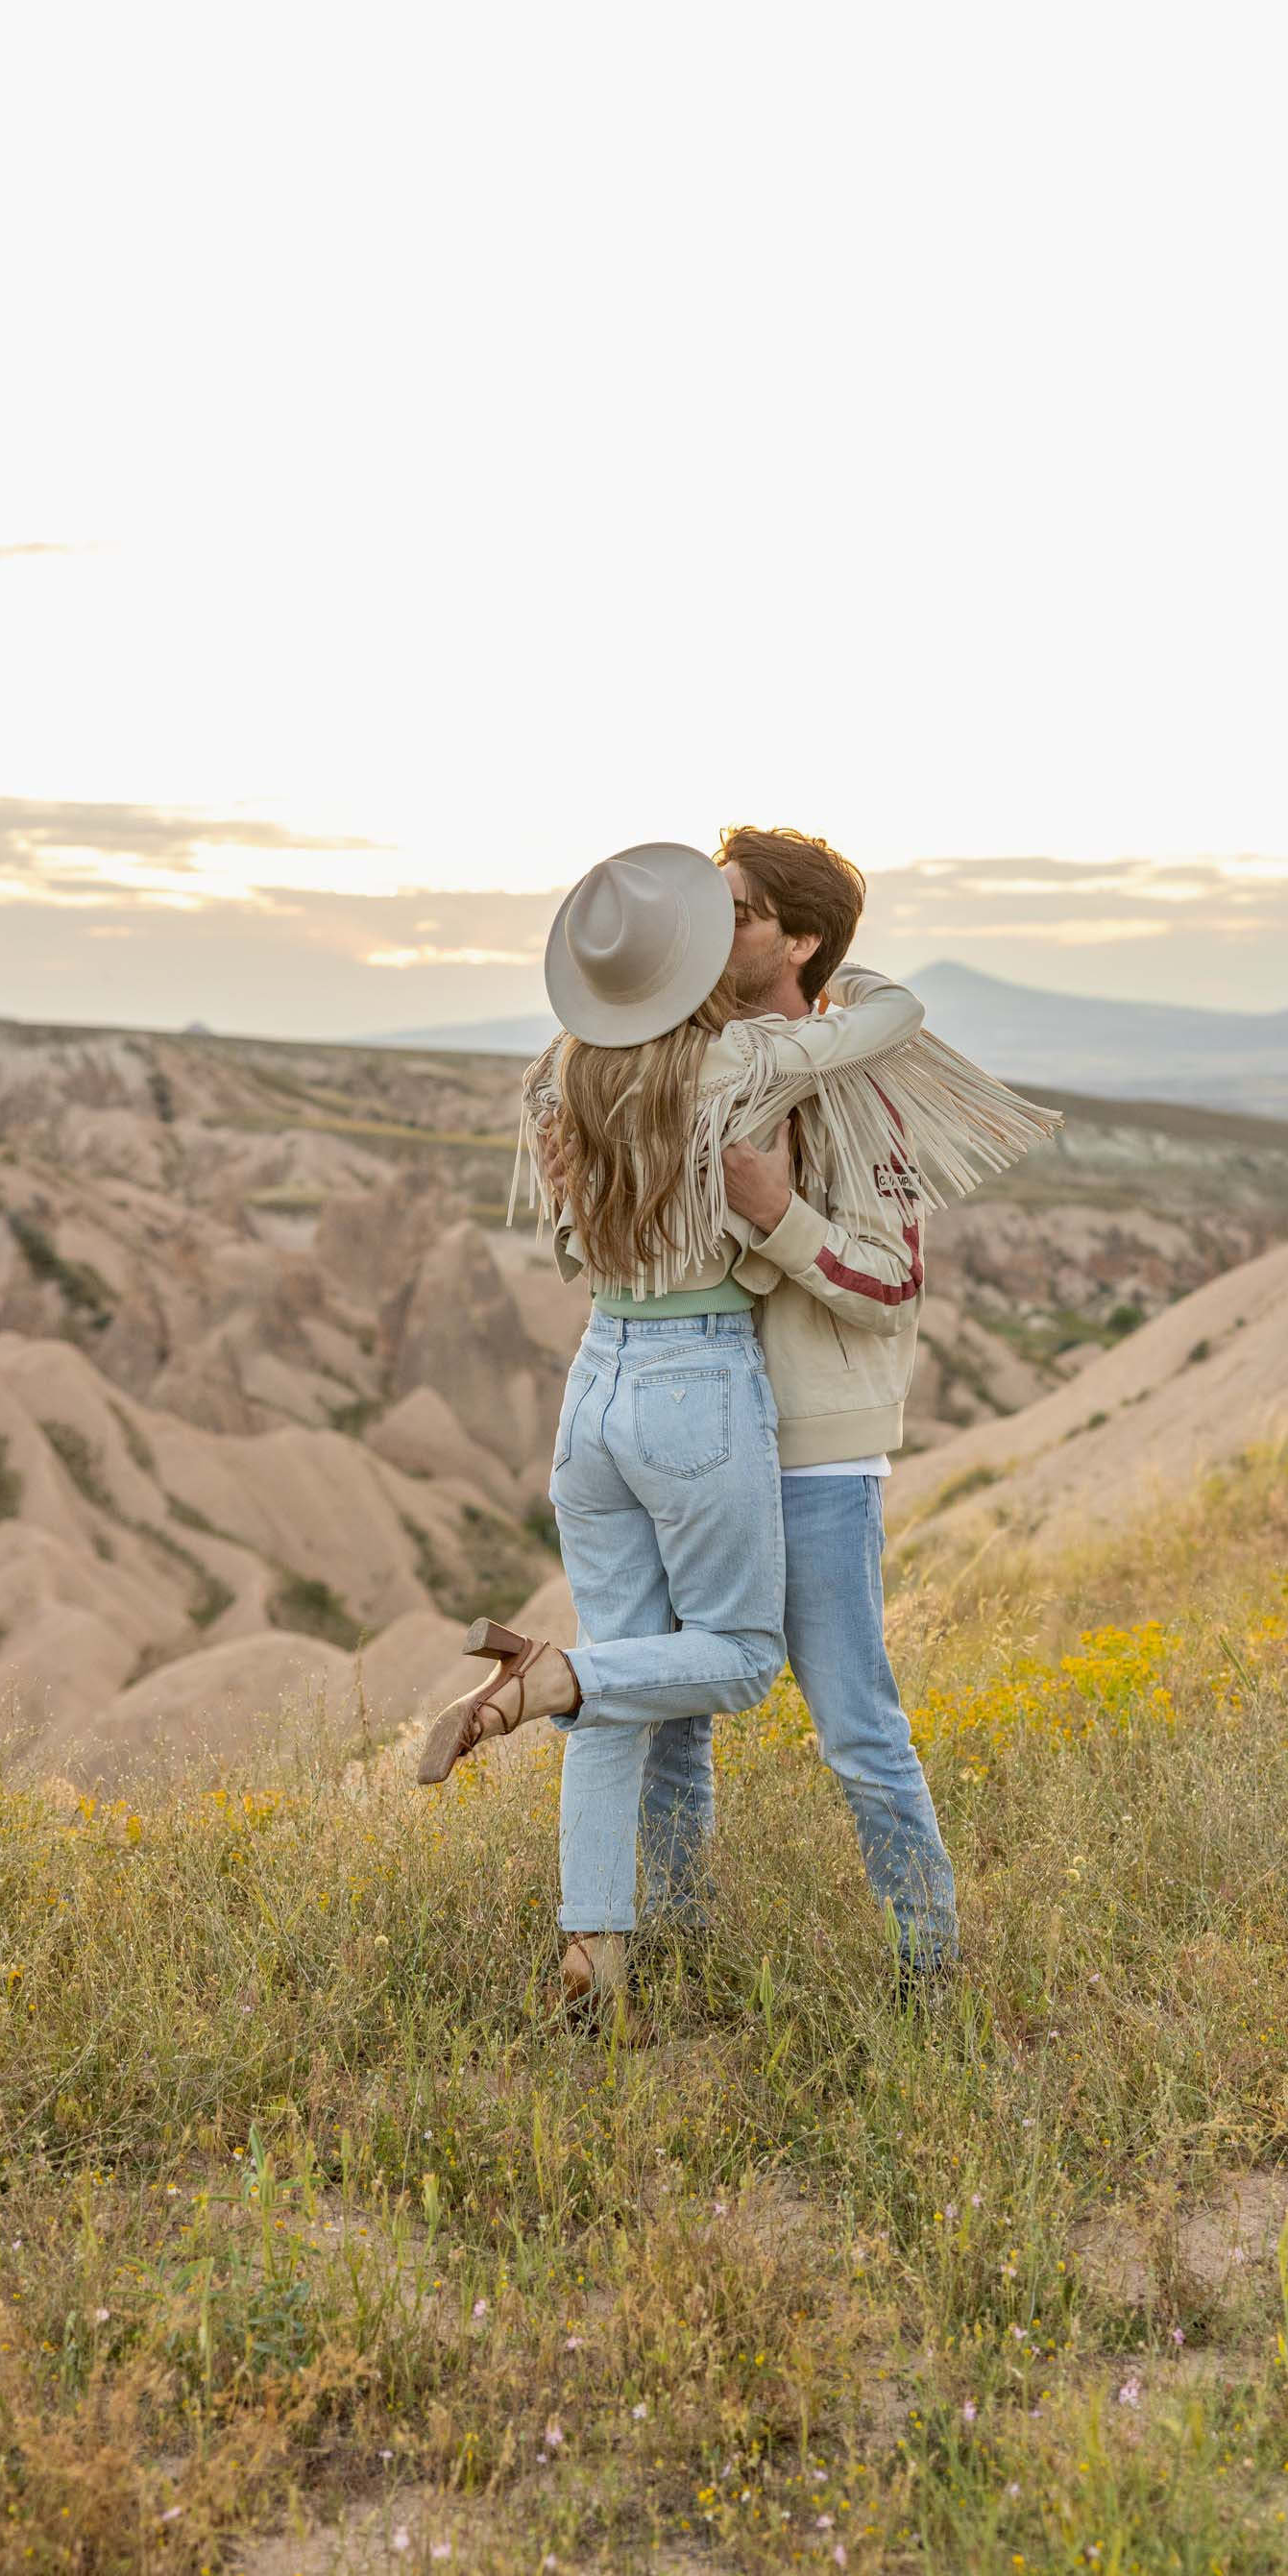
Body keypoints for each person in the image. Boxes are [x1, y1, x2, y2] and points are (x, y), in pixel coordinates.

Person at [419, 838, 1058, 2023]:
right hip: (703, 1413)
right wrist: (578, 1196)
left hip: (799, 1445)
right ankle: (671, 1946)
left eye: (738, 914)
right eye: (702, 913)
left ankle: (926, 1975)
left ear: (799, 940)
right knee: (664, 1715)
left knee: (853, 1724)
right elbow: (588, 1246)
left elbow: (891, 1284)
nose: (712, 933)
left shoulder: (840, 1091)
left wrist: (777, 1215)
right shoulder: (705, 1061)